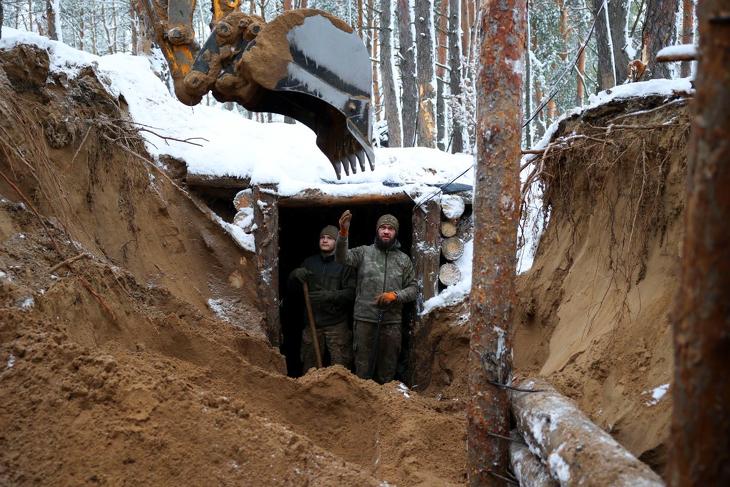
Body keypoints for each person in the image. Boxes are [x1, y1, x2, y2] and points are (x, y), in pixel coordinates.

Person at [335, 210, 417, 383]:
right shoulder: (364, 252)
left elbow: (413, 288)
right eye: (382, 228)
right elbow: (342, 258)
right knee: (363, 371)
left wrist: (395, 295)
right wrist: (343, 233)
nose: (386, 231)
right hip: (365, 320)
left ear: (396, 232)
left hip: (391, 323)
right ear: (377, 231)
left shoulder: (403, 260)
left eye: (390, 228)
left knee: (387, 372)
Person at [289, 225, 356, 373]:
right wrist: (294, 275)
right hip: (312, 323)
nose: (325, 240)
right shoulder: (309, 263)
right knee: (310, 369)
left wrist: (329, 296)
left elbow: (352, 293)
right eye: (322, 237)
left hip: (336, 325)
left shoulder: (345, 265)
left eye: (330, 238)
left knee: (341, 370)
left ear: (337, 242)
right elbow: (292, 291)